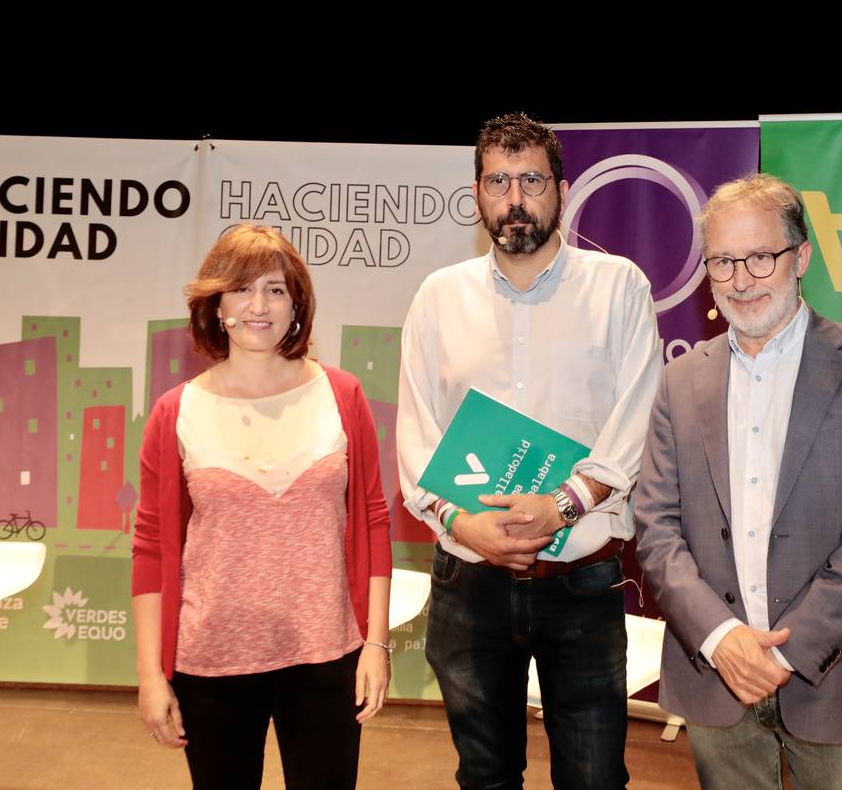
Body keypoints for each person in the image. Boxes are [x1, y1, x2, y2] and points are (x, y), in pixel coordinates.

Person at [397, 112, 662, 788]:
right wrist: (466, 525)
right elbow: (417, 440)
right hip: (468, 584)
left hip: (581, 582)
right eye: (499, 182)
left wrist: (564, 504)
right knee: (485, 775)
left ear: (563, 190)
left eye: (532, 181)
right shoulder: (437, 298)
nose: (516, 199)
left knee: (595, 778)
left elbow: (636, 426)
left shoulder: (618, 288)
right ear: (478, 194)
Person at [633, 174, 842, 790]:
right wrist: (723, 640)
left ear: (802, 258)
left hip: (836, 681)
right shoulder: (680, 381)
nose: (741, 280)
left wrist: (786, 653)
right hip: (716, 677)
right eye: (722, 262)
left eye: (760, 257)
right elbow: (656, 528)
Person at [132, 225, 393, 790]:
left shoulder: (342, 395)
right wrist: (151, 674)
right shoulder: (175, 411)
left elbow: (373, 522)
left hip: (327, 657)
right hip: (211, 662)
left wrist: (376, 645)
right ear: (217, 306)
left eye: (276, 290)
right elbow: (151, 550)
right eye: (242, 289)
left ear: (297, 306)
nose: (259, 305)